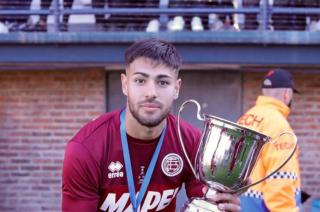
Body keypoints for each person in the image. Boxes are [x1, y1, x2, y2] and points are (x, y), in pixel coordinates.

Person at [61, 38, 241, 212]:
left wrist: (221, 204)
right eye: (140, 80)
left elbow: (205, 203)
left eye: (162, 82)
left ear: (176, 88)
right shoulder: (86, 148)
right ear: (125, 84)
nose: (151, 93)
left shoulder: (191, 142)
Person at [237, 68, 302, 211]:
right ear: (287, 94)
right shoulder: (279, 126)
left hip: (240, 205)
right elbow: (281, 178)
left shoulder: (246, 118)